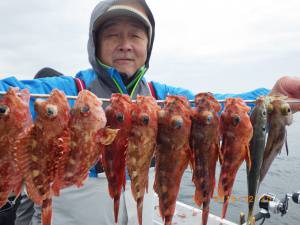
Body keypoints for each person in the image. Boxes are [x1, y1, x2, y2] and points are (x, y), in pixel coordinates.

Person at [0, 0, 299, 224]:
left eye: (136, 36)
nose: (125, 45)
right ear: (96, 44)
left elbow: (218, 107)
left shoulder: (163, 99)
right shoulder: (69, 90)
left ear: (148, 44)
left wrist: (270, 96)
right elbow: (13, 92)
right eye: (113, 36)